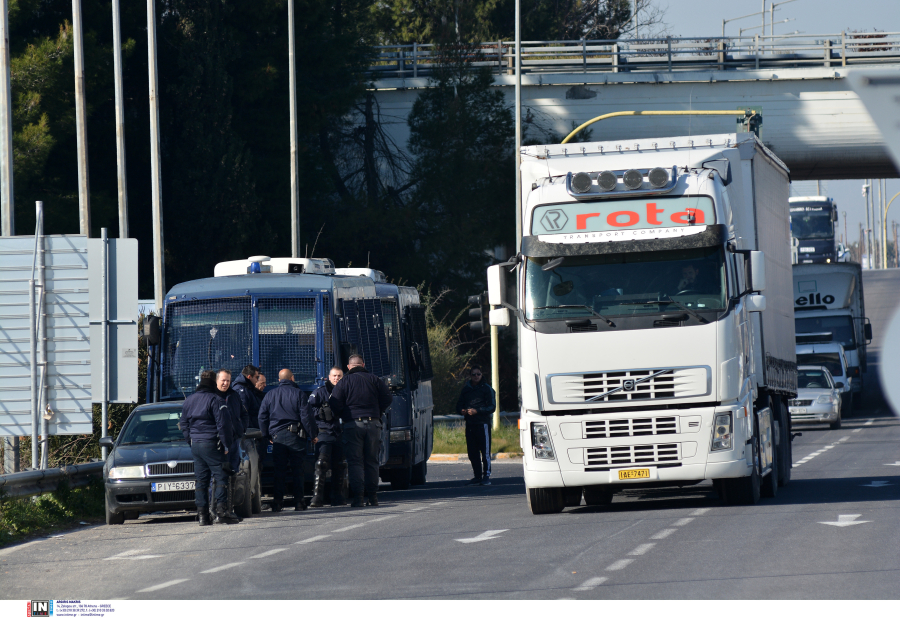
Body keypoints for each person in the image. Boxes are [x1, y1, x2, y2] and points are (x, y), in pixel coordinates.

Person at [330, 354, 392, 507]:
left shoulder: (344, 382)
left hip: (353, 425)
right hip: (373, 424)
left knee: (355, 462)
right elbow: (388, 398)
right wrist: (378, 412)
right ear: (363, 365)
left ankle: (358, 498)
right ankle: (373, 497)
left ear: (349, 367)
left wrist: (344, 414)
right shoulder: (375, 380)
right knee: (372, 461)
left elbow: (334, 403)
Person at [180, 370, 237, 525]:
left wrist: (190, 440)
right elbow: (223, 424)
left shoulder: (189, 400)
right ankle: (221, 511)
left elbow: (183, 424)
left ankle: (202, 516)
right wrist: (226, 444)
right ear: (214, 382)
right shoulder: (215, 399)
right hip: (212, 443)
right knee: (221, 476)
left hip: (196, 445)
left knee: (201, 481)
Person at [258, 368, 315, 512]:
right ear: (292, 378)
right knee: (297, 471)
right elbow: (306, 417)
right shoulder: (299, 394)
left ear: (279, 380)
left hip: (278, 437)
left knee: (279, 471)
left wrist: (267, 436)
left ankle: (277, 503)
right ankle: (299, 503)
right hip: (296, 436)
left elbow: (262, 417)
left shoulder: (270, 395)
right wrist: (312, 434)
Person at [304, 366, 347, 507]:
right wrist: (321, 412)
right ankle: (317, 498)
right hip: (323, 432)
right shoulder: (320, 392)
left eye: (339, 376)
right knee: (321, 464)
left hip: (339, 433)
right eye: (334, 376)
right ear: (329, 377)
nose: (336, 378)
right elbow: (308, 410)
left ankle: (337, 496)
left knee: (339, 465)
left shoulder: (345, 392)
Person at [456, 365, 496, 486]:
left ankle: (486, 476)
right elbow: (458, 405)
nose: (476, 376)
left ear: (481, 375)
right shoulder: (466, 389)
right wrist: (462, 411)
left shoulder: (487, 389)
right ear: (470, 375)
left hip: (482, 423)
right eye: (474, 374)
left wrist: (477, 411)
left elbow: (492, 407)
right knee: (472, 452)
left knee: (485, 452)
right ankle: (477, 476)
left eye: (478, 374)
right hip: (470, 424)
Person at [216, 369, 247, 521]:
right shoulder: (212, 397)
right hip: (217, 443)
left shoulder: (234, 396)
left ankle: (229, 508)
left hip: (234, 441)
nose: (225, 383)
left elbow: (243, 414)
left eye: (228, 380)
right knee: (217, 478)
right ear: (216, 380)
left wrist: (242, 429)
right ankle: (216, 509)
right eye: (223, 380)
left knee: (232, 474)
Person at [231, 365, 262, 429]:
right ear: (249, 377)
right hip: (249, 431)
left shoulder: (248, 388)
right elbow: (244, 412)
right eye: (257, 377)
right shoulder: (242, 390)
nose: (257, 380)